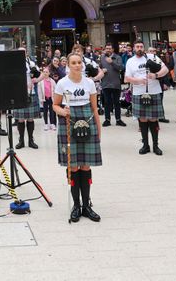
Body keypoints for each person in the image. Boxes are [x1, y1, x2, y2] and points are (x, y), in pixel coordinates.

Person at [53, 51, 101, 223]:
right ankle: (76, 205)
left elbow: (94, 109)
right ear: (68, 65)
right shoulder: (62, 83)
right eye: (73, 62)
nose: (77, 65)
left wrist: (99, 131)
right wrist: (62, 110)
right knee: (73, 167)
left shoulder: (89, 83)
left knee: (86, 166)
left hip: (88, 121)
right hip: (69, 122)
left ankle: (87, 205)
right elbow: (55, 105)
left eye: (79, 62)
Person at [124, 41, 168, 156]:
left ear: (144, 48)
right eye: (137, 46)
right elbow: (126, 78)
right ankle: (145, 145)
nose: (139, 48)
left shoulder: (152, 57)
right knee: (142, 119)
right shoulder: (130, 61)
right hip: (138, 93)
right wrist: (138, 81)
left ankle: (156, 145)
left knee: (153, 119)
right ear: (133, 48)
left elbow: (165, 69)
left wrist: (156, 75)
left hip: (154, 92)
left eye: (141, 46)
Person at [12, 49, 41, 149]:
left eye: (24, 52)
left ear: (26, 53)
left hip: (30, 93)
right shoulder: (14, 63)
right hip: (19, 93)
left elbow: (39, 74)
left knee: (30, 118)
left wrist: (35, 80)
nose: (22, 54)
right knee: (20, 119)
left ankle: (31, 140)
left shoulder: (31, 63)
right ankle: (21, 140)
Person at [99, 44, 126, 127]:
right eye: (106, 48)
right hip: (106, 83)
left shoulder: (117, 57)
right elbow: (98, 68)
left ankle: (118, 120)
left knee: (117, 102)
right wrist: (101, 70)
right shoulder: (102, 58)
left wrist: (112, 62)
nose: (108, 50)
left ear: (113, 49)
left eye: (110, 48)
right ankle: (107, 120)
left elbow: (121, 67)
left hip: (116, 83)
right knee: (107, 103)